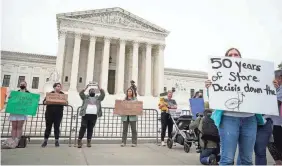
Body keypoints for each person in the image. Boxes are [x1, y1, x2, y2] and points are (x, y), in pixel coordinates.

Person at [205, 48, 264, 165]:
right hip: (228, 118)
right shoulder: (218, 74)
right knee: (227, 159)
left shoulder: (252, 73)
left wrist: (273, 86)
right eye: (230, 54)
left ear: (240, 58)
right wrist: (209, 88)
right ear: (225, 59)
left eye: (236, 54)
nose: (233, 56)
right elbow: (215, 99)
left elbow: (262, 91)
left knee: (247, 160)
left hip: (250, 119)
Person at [77, 84, 105, 148]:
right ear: (89, 92)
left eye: (94, 90)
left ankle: (89, 141)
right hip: (85, 115)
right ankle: (79, 140)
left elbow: (103, 95)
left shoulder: (98, 98)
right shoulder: (85, 97)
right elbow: (81, 93)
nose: (92, 91)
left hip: (93, 115)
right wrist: (86, 87)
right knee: (83, 127)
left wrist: (99, 87)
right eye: (91, 90)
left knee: (90, 128)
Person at [42, 83, 67, 147]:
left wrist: (65, 102)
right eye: (58, 86)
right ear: (54, 87)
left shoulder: (62, 94)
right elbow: (44, 102)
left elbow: (66, 103)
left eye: (60, 86)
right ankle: (45, 140)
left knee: (57, 127)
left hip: (58, 114)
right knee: (48, 127)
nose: (59, 87)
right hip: (49, 113)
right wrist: (46, 102)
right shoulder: (50, 94)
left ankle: (56, 141)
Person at [7, 81, 29, 147]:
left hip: (22, 112)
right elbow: (11, 100)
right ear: (19, 85)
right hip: (14, 112)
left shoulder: (28, 94)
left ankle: (17, 141)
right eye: (21, 84)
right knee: (14, 127)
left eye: (23, 84)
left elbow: (31, 101)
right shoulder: (15, 93)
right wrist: (10, 98)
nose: (22, 85)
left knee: (19, 127)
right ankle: (13, 140)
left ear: (26, 85)